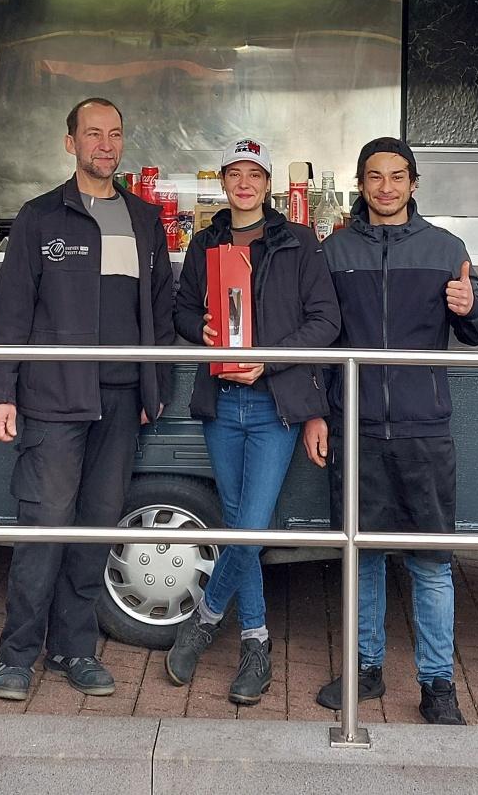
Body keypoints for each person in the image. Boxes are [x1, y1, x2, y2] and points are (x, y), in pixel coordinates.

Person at [0, 98, 176, 701]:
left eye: (115, 134)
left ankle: (74, 650)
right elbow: (10, 312)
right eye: (93, 134)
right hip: (53, 400)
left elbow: (162, 312)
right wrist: (0, 393)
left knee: (94, 530)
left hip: (120, 402)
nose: (106, 145)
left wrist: (155, 386)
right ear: (71, 143)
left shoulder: (145, 221)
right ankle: (16, 656)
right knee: (44, 528)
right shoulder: (41, 218)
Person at [302, 137, 478, 725]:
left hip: (423, 429)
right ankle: (366, 670)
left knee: (431, 564)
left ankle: (438, 686)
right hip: (355, 428)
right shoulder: (334, 251)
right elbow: (319, 340)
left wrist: (469, 308)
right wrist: (317, 411)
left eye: (397, 176)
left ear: (414, 183)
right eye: (375, 177)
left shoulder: (446, 249)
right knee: (363, 558)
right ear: (361, 184)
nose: (386, 187)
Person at [163, 138, 340, 705]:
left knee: (250, 527)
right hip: (220, 403)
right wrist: (202, 332)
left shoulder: (298, 242)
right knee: (241, 521)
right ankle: (255, 643)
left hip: (273, 406)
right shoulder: (205, 242)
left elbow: (326, 322)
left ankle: (211, 620)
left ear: (268, 186)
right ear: (224, 183)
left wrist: (271, 357)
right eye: (234, 174)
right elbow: (181, 310)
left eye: (254, 175)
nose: (244, 184)